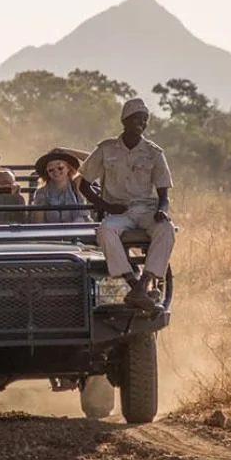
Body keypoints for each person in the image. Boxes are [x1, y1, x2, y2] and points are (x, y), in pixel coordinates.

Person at [78, 98, 175, 312]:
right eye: (137, 118)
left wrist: (162, 210)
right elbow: (83, 185)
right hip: (119, 211)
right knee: (105, 230)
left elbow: (164, 195)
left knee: (166, 229)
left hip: (147, 210)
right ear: (125, 120)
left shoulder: (154, 153)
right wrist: (105, 206)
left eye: (145, 119)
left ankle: (143, 284)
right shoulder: (106, 149)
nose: (142, 123)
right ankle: (134, 285)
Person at [30, 147, 91, 223]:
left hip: (81, 229)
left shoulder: (77, 183)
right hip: (53, 230)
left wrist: (68, 151)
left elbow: (97, 160)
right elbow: (38, 223)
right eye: (51, 169)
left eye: (60, 167)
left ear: (68, 168)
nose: (56, 171)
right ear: (47, 172)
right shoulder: (42, 192)